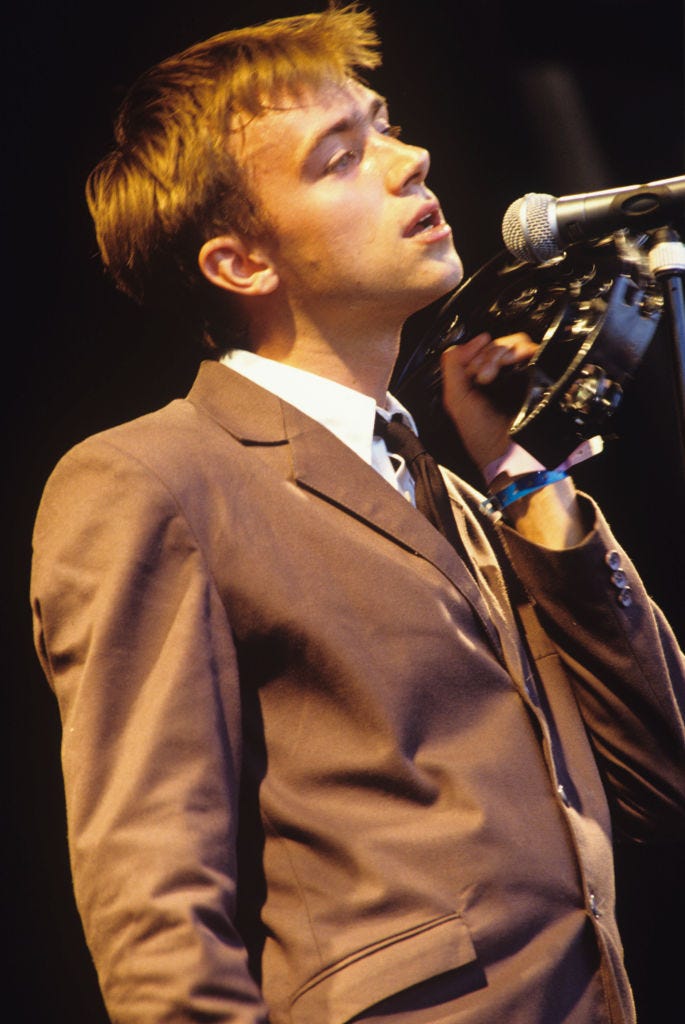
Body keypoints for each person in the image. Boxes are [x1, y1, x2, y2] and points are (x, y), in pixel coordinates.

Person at [29, 4, 685, 1023]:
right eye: (340, 156)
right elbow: (155, 913)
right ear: (242, 262)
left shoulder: (460, 495)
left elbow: (658, 784)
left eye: (385, 126)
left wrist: (531, 481)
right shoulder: (152, 481)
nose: (410, 159)